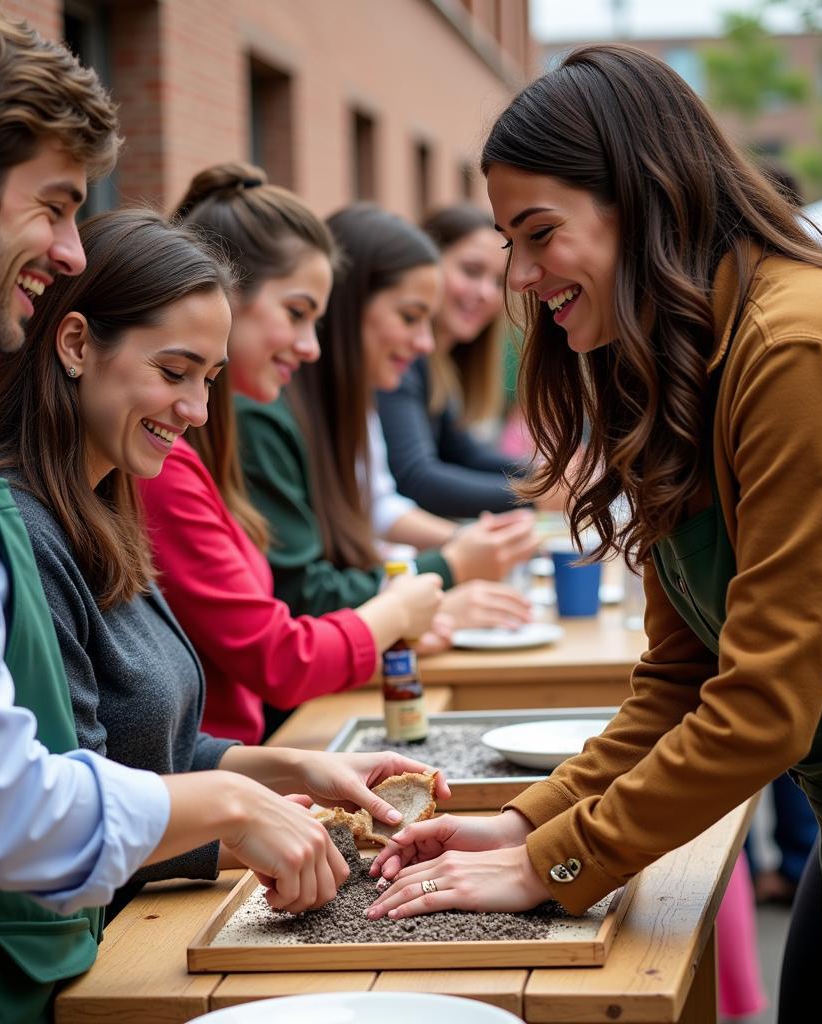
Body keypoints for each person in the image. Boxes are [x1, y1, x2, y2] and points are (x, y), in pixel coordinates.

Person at [0, 9, 427, 1021]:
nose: (70, 249)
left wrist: (262, 770)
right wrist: (232, 801)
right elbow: (3, 806)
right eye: (56, 206)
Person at [366, 44, 822, 1024]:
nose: (518, 274)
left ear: (642, 198)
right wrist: (519, 822)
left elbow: (762, 708)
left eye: (537, 232)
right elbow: (678, 685)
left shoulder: (794, 343)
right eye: (509, 241)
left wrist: (558, 863)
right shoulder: (680, 358)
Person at [0, 207, 447, 920]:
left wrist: (301, 771)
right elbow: (60, 815)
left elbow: (152, 753)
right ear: (74, 344)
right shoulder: (20, 532)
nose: (196, 408)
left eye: (210, 379)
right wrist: (238, 818)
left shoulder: (105, 505)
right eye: (174, 372)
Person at [136, 164, 446, 746]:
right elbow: (278, 655)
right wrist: (399, 608)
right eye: (297, 314)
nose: (310, 347)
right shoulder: (168, 462)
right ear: (226, 301)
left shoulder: (204, 443)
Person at [236, 202, 539, 628]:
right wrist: (447, 567)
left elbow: (375, 511)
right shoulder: (264, 413)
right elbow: (303, 593)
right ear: (350, 307)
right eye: (411, 317)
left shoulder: (353, 400)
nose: (424, 344)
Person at [376, 204, 532, 517]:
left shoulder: (441, 363)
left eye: (496, 281)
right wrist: (535, 493)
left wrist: (545, 477)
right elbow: (417, 477)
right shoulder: (398, 360)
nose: (486, 293)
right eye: (471, 271)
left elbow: (462, 453)